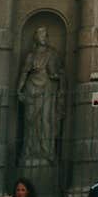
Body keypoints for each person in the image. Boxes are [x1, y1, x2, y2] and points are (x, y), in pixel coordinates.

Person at [17, 24, 65, 168]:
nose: (43, 37)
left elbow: (59, 72)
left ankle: (47, 152)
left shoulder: (53, 53)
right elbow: (24, 73)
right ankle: (30, 151)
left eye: (45, 35)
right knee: (31, 123)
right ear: (36, 38)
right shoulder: (31, 56)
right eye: (40, 35)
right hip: (32, 90)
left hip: (48, 90)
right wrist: (19, 89)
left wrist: (56, 76)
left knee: (46, 121)